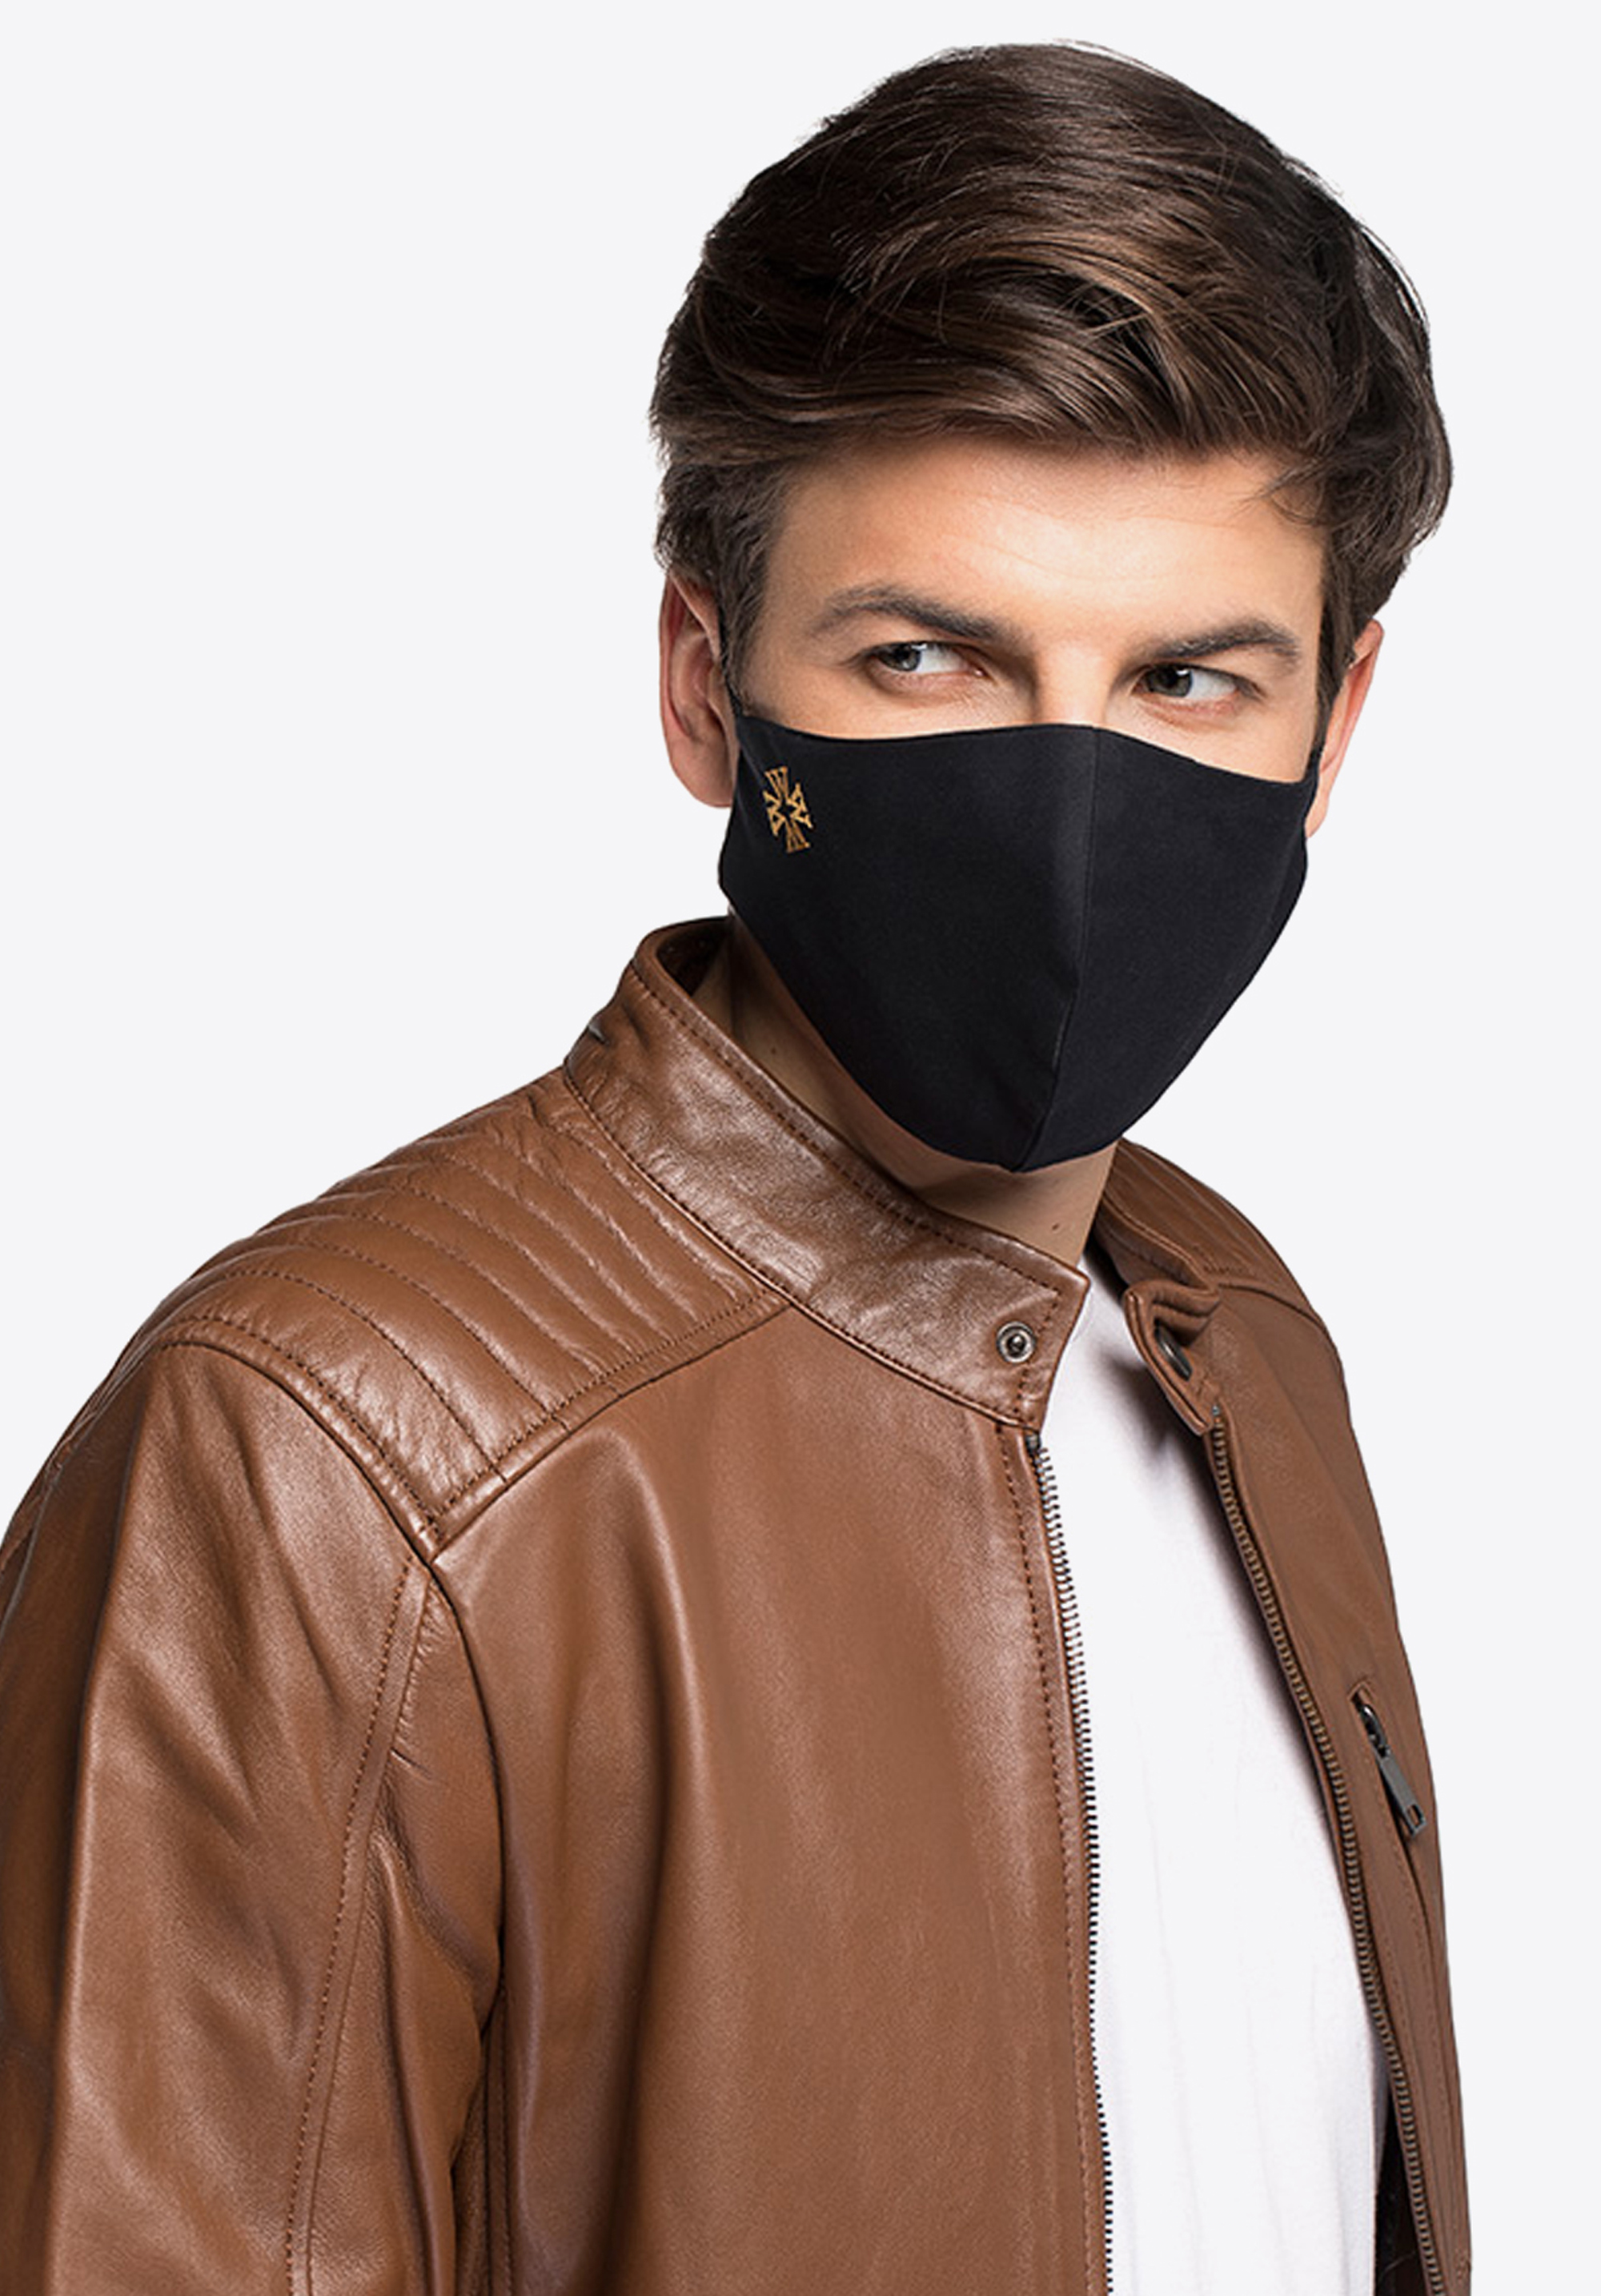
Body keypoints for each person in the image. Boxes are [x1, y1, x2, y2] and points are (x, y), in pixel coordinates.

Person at [0, 41, 1467, 2296]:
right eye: (929, 656)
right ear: (707, 684)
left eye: (1188, 683)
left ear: (1334, 727)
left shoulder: (1242, 1348)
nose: (1067, 812)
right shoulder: (318, 1464)